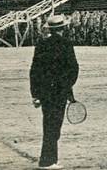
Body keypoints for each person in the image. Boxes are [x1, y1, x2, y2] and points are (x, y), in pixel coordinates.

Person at [30, 14, 79, 170]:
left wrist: (35, 94)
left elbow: (34, 71)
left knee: (48, 124)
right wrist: (67, 88)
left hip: (45, 92)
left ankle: (49, 159)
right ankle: (48, 161)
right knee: (55, 126)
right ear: (63, 29)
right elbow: (73, 69)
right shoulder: (66, 44)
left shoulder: (41, 45)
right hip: (59, 92)